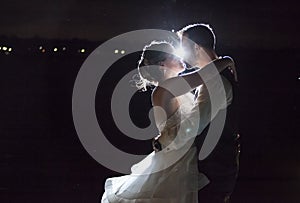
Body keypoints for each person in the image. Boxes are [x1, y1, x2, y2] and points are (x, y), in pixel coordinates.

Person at [101, 41, 234, 203]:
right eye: (174, 55)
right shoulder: (167, 87)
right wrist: (227, 60)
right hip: (178, 156)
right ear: (163, 64)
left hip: (178, 151)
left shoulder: (170, 87)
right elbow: (203, 75)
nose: (181, 57)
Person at [176, 23, 240, 203]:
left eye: (184, 46)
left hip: (212, 171)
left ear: (196, 48)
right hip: (218, 167)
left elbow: (194, 126)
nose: (182, 52)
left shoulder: (215, 82)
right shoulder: (219, 74)